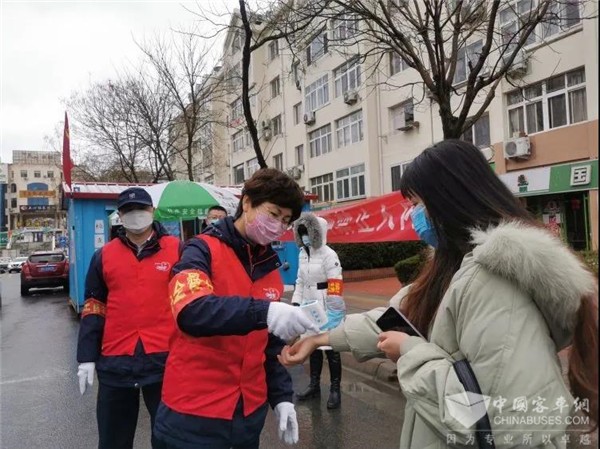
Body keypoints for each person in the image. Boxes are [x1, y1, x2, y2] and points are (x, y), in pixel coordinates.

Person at [280, 140, 598, 448]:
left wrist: (409, 352)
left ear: (450, 201)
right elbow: (395, 319)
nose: (412, 216)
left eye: (416, 205)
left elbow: (504, 422)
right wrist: (319, 338)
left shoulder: (494, 285)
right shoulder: (454, 266)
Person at [153, 168, 319, 449]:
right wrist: (265, 312)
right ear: (247, 203)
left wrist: (281, 398)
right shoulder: (200, 250)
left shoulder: (270, 270)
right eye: (273, 213)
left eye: (286, 220)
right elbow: (192, 311)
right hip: (193, 414)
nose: (278, 225)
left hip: (246, 416)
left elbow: (269, 348)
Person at [76, 187, 182, 449]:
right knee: (113, 439)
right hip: (116, 360)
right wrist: (86, 357)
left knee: (170, 438)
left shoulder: (178, 250)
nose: (136, 215)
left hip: (165, 359)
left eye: (141, 209)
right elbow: (94, 306)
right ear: (120, 216)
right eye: (128, 210)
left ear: (152, 211)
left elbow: (192, 302)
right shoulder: (104, 256)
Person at [291, 212, 345, 409]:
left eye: (307, 232)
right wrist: (296, 303)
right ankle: (314, 386)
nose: (305, 237)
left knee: (331, 348)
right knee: (312, 346)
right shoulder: (302, 253)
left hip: (326, 304)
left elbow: (336, 282)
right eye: (302, 233)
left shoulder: (329, 254)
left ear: (318, 232)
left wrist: (334, 311)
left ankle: (335, 389)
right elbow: (300, 280)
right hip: (309, 305)